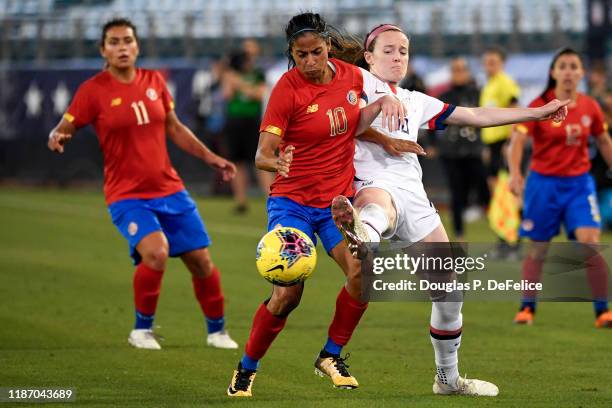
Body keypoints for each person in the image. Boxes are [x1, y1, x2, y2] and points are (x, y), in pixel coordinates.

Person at [331, 24, 568, 397]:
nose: (397, 57)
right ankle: (364, 234)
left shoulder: (415, 99)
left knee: (449, 292)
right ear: (369, 55)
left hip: (416, 196)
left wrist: (536, 113)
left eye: (404, 51)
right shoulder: (352, 81)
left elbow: (474, 115)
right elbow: (330, 107)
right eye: (388, 50)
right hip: (371, 183)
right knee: (380, 206)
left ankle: (447, 380)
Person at [226, 12, 407, 397]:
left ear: (327, 46)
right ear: (292, 54)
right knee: (288, 294)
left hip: (335, 205)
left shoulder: (351, 76)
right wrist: (277, 162)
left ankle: (331, 355)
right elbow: (262, 154)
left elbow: (348, 123)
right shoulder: (286, 90)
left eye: (316, 52)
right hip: (291, 204)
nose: (310, 62)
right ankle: (247, 367)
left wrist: (384, 139)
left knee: (363, 273)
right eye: (301, 54)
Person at [47, 18, 239, 350]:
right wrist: (57, 134)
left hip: (170, 189)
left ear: (137, 46)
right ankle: (141, 330)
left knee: (202, 261)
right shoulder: (93, 91)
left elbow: (175, 128)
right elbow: (65, 125)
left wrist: (212, 158)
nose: (122, 47)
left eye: (127, 41)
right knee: (157, 252)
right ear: (103, 50)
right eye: (114, 42)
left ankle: (217, 331)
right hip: (127, 195)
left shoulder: (154, 81)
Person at [508, 48, 612, 328]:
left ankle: (603, 311)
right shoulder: (540, 105)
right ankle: (527, 308)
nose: (568, 71)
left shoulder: (591, 106)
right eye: (562, 66)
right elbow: (518, 141)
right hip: (543, 185)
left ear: (581, 73)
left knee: (590, 242)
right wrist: (516, 173)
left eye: (573, 66)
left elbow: (602, 140)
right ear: (553, 72)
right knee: (538, 249)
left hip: (579, 184)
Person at [438, 57, 490, 240]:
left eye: (462, 69)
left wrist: (486, 146)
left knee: (486, 191)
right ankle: (459, 234)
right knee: (456, 193)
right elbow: (431, 120)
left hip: (475, 151)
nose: (459, 73)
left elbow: (489, 118)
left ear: (468, 72)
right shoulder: (444, 96)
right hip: (451, 153)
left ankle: (500, 228)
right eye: (455, 69)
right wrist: (431, 144)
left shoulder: (478, 94)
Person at [480, 46, 522, 259]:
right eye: (487, 62)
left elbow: (515, 110)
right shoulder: (489, 85)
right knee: (498, 196)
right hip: (492, 146)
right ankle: (504, 242)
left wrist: (510, 142)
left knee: (508, 195)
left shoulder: (505, 83)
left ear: (502, 63)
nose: (490, 66)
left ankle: (514, 244)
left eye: (493, 62)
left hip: (503, 144)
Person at [221, 39, 273, 214]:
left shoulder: (258, 74)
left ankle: (272, 198)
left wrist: (239, 84)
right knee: (237, 162)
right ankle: (241, 201)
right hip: (234, 121)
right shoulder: (231, 74)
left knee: (260, 161)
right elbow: (227, 94)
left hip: (253, 122)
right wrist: (233, 81)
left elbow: (259, 94)